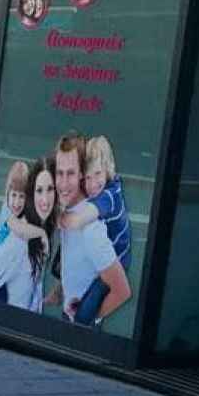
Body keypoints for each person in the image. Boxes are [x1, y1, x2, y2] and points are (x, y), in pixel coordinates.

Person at [50, 132, 132, 328]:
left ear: (107, 170)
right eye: (87, 177)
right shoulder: (88, 198)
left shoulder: (106, 200)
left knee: (83, 317)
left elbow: (80, 220)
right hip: (72, 307)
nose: (93, 184)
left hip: (119, 258)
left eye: (97, 175)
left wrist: (93, 318)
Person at [0, 159, 56, 313]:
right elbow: (18, 229)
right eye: (13, 195)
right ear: (7, 194)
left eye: (21, 197)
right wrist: (40, 234)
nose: (16, 202)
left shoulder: (23, 216)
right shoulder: (9, 214)